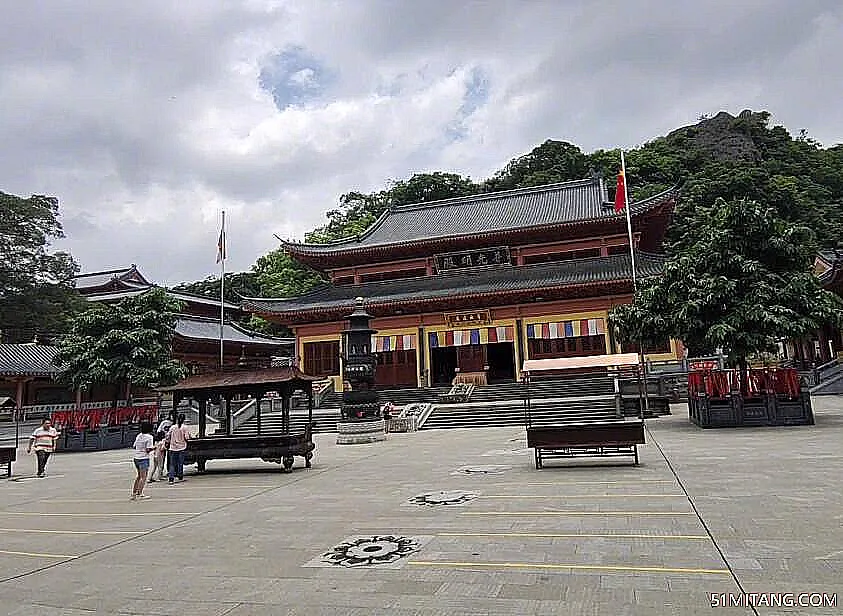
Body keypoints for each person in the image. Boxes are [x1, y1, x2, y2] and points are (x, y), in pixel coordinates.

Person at [131, 422, 155, 500]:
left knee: (138, 476)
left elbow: (134, 446)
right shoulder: (149, 437)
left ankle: (134, 493)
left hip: (136, 458)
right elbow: (148, 449)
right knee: (143, 477)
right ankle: (140, 493)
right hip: (143, 458)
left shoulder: (139, 435)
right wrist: (154, 448)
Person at [166, 414, 190, 484]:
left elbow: (168, 436)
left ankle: (171, 478)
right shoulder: (185, 427)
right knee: (180, 463)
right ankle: (180, 476)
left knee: (172, 464)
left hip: (172, 448)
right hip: (182, 447)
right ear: (184, 420)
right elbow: (187, 437)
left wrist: (168, 442)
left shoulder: (173, 427)